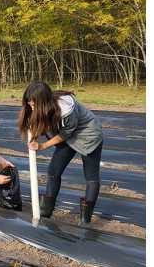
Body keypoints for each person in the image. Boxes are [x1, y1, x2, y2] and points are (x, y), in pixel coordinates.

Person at [17, 81, 104, 224]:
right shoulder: (43, 107)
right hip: (68, 136)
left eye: (34, 105)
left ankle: (85, 219)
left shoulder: (66, 109)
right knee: (53, 171)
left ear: (44, 102)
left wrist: (43, 146)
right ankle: (46, 211)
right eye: (30, 104)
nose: (31, 108)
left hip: (88, 135)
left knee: (91, 176)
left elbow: (64, 134)